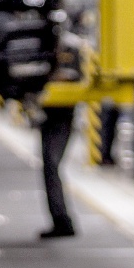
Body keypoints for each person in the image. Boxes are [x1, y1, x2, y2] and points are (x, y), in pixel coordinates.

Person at [35, 30, 87, 240]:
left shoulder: (70, 46)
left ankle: (63, 220)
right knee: (48, 165)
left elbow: (74, 76)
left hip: (62, 115)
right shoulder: (42, 42)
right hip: (47, 114)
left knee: (52, 164)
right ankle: (59, 219)